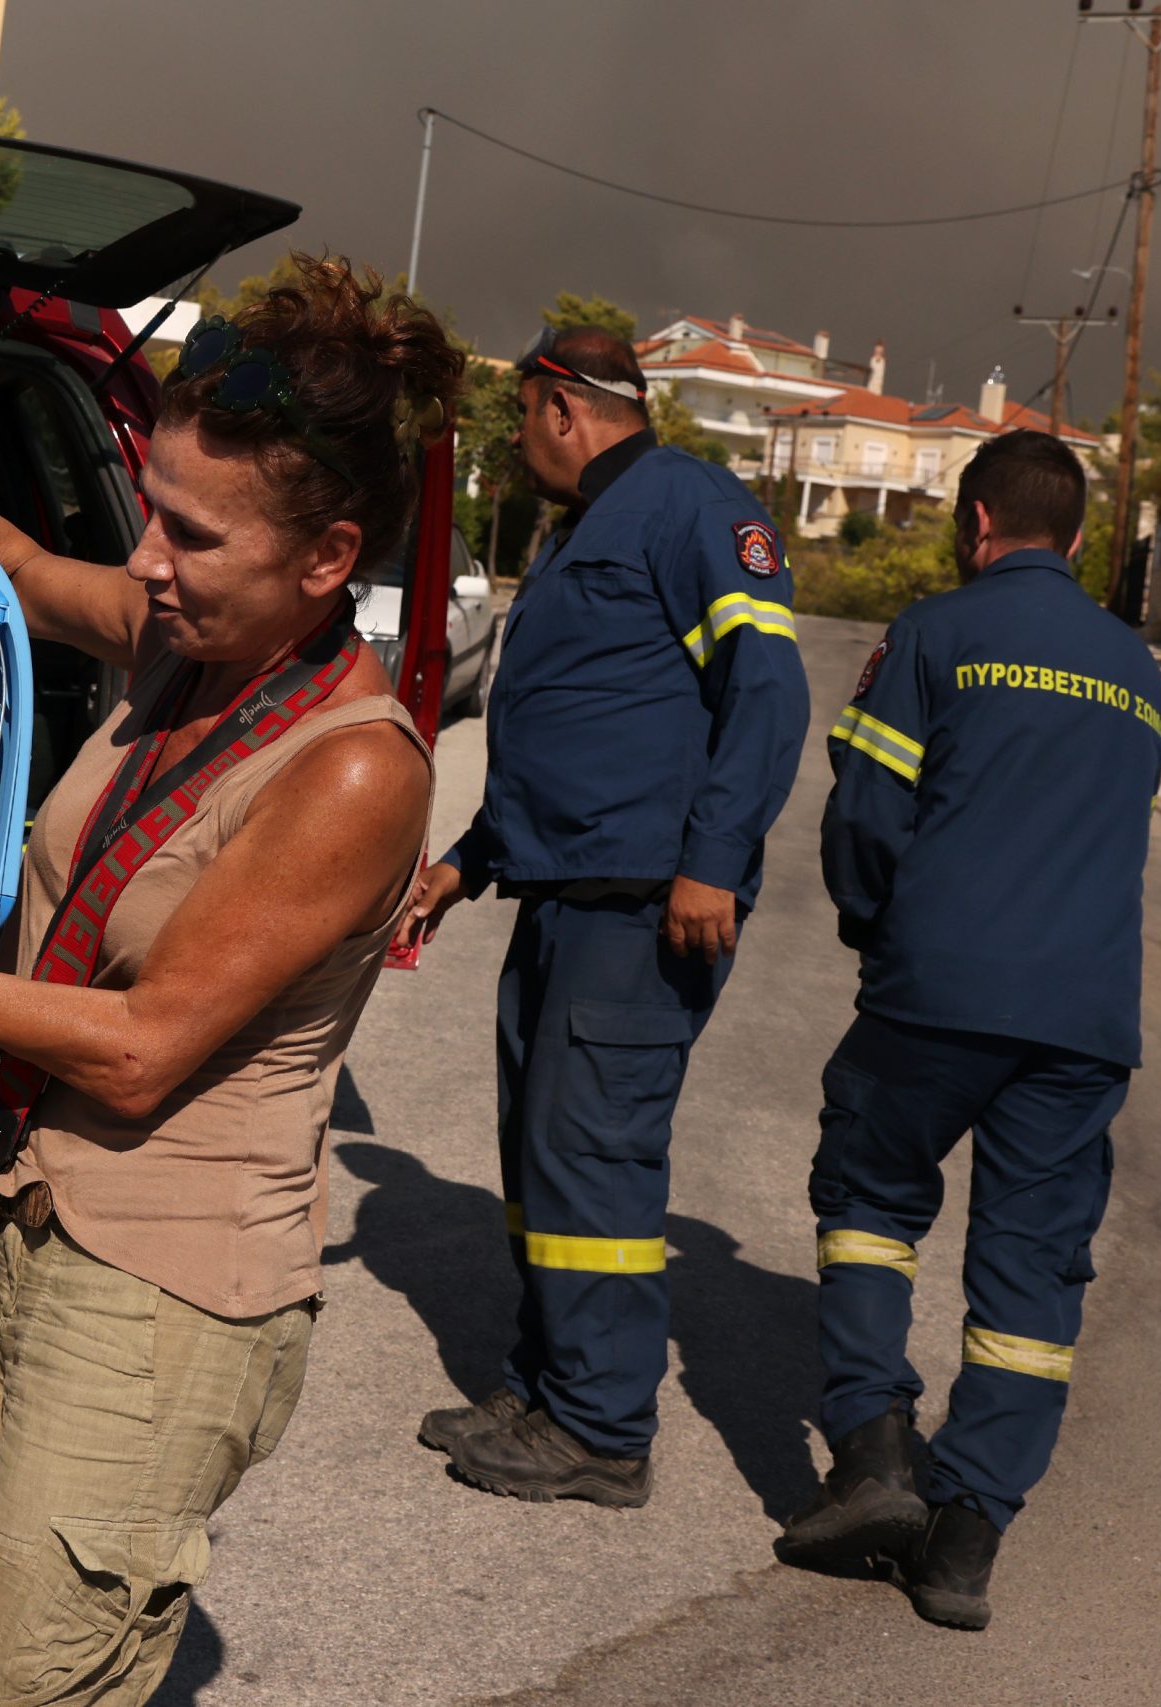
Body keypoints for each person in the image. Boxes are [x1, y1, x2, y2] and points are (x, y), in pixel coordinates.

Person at [0, 258, 454, 1706]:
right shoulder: (176, 642)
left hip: (164, 1295)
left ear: (328, 559)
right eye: (150, 514)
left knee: (4, 1685)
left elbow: (137, 1048)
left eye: (191, 533)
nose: (147, 560)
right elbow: (10, 567)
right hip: (8, 1220)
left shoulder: (355, 766)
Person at [406, 325, 811, 1506]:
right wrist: (466, 864)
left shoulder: (693, 508)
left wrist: (714, 865)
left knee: (595, 1160)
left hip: (645, 908)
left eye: (523, 419)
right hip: (566, 898)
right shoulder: (596, 522)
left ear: (557, 407)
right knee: (541, 1158)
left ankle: (601, 1427)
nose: (522, 440)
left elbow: (769, 695)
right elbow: (580, 731)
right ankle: (544, 1383)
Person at [774, 431, 1161, 1630]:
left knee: (871, 1203)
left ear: (974, 523)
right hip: (1084, 1020)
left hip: (937, 992)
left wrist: (872, 928)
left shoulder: (937, 634)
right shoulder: (1140, 676)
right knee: (1031, 1275)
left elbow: (869, 813)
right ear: (1083, 539)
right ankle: (966, 1541)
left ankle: (874, 1456)